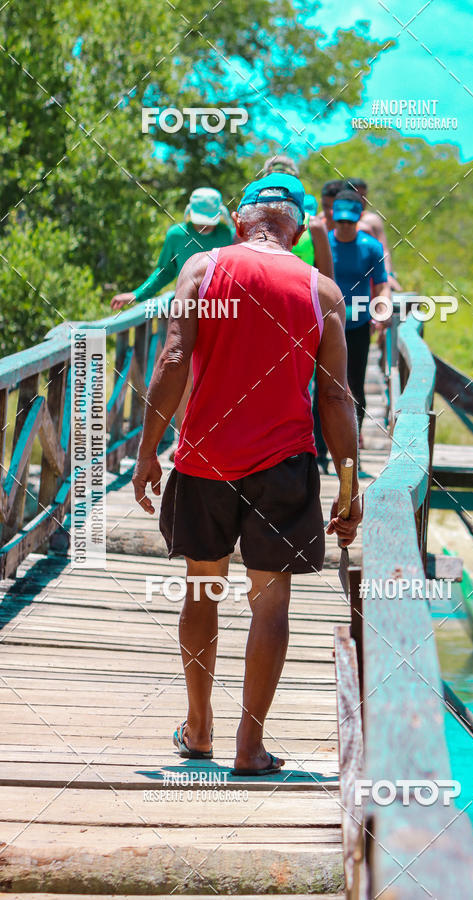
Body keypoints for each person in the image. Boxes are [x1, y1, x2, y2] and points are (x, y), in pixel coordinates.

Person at [132, 172, 361, 776]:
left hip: (204, 460)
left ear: (241, 221)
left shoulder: (203, 271)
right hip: (285, 466)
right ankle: (249, 746)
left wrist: (147, 450)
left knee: (202, 587)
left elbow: (174, 357)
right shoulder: (323, 290)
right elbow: (336, 398)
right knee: (270, 605)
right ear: (297, 229)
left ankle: (199, 727)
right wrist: (349, 478)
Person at [110, 187, 234, 434]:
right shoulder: (177, 235)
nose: (204, 226)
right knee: (180, 373)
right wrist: (137, 294)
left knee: (214, 376)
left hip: (218, 312)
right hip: (185, 311)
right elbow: (164, 271)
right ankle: (183, 437)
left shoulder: (228, 235)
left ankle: (211, 435)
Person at [327, 189, 391, 473]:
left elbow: (381, 285)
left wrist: (382, 310)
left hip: (358, 326)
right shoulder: (323, 245)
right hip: (327, 324)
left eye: (349, 222)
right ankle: (319, 454)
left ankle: (352, 450)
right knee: (322, 387)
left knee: (355, 387)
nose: (344, 227)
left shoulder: (371, 247)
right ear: (333, 218)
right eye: (340, 222)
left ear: (358, 219)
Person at [263, 155, 333, 278]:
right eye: (273, 184)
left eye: (287, 184)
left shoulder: (313, 225)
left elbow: (328, 281)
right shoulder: (249, 222)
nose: (280, 191)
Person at [345, 177, 401, 292]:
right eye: (358, 196)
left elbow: (384, 250)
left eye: (364, 196)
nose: (362, 200)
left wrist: (387, 274)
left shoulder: (371, 220)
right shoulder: (334, 219)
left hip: (370, 273)